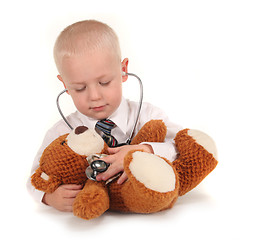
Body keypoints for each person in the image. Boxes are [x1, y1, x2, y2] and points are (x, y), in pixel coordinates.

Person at [27, 19, 182, 212]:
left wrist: (144, 150)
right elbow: (34, 177)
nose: (94, 96)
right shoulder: (62, 132)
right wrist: (49, 198)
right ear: (65, 85)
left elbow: (182, 146)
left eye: (105, 82)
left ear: (123, 70)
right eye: (80, 88)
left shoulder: (148, 115)